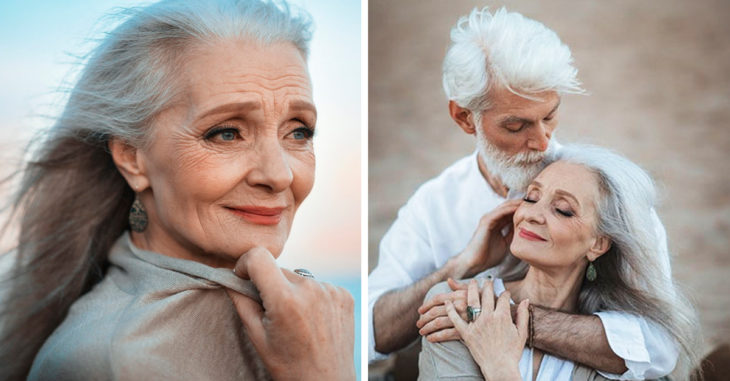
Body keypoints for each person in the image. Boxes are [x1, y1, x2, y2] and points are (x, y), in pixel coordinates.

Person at [0, 1, 355, 380]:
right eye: (226, 133)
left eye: (298, 131)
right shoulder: (111, 363)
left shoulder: (308, 317)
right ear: (133, 158)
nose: (280, 175)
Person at [369, 7, 677, 379]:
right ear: (464, 118)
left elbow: (659, 347)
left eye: (549, 115)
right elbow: (372, 335)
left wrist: (501, 319)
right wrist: (460, 267)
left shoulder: (610, 197)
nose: (542, 141)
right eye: (516, 125)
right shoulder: (434, 206)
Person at [417, 145, 701, 380]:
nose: (533, 214)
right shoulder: (455, 302)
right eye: (531, 197)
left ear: (598, 244)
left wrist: (500, 368)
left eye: (563, 210)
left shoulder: (615, 347)